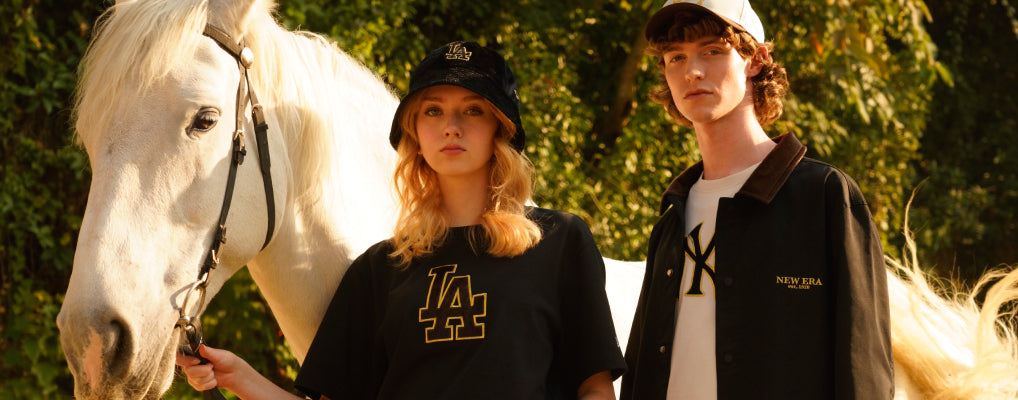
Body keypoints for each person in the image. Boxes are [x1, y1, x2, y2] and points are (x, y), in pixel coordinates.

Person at [177, 41, 627, 400]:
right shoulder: (379, 270)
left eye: (473, 109)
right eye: (433, 110)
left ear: (501, 128)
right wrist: (239, 377)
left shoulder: (559, 242)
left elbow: (595, 389)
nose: (451, 126)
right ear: (415, 131)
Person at [619, 1, 894, 399]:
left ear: (757, 59)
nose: (692, 71)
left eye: (712, 50)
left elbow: (863, 368)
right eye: (676, 57)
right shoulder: (672, 215)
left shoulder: (824, 196)